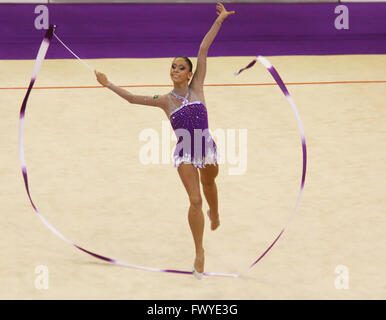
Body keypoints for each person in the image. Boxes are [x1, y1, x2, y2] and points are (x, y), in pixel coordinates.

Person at [94, 2, 235, 279]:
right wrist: (107, 83)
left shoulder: (197, 88)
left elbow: (203, 50)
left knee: (210, 183)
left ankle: (215, 214)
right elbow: (134, 99)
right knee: (195, 200)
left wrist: (219, 20)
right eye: (172, 67)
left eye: (180, 67)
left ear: (189, 73)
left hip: (205, 149)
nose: (175, 70)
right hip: (184, 152)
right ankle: (199, 251)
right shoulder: (165, 101)